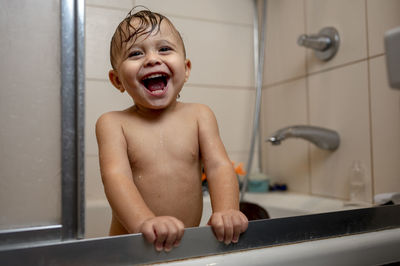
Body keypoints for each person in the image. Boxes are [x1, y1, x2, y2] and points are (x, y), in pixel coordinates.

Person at [96, 7, 248, 252]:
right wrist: (144, 221)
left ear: (186, 69)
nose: (152, 59)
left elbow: (219, 167)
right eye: (135, 53)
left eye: (164, 48)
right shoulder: (113, 124)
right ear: (117, 81)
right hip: (133, 249)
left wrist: (227, 210)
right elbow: (116, 178)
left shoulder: (200, 115)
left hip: (184, 247)